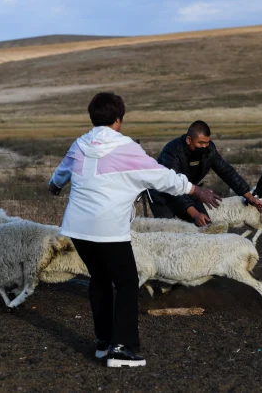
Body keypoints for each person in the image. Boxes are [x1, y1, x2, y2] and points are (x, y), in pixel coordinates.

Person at [48, 92, 220, 368]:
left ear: (93, 118)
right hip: (107, 229)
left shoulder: (79, 144)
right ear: (118, 120)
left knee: (100, 279)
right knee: (127, 283)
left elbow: (59, 175)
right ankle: (122, 348)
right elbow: (161, 176)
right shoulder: (125, 147)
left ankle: (104, 343)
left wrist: (55, 185)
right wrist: (195, 189)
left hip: (77, 228)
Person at [149, 120, 262, 226]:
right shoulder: (172, 152)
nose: (204, 146)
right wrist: (195, 214)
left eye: (206, 143)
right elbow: (175, 186)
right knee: (169, 234)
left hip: (190, 191)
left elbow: (226, 171)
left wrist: (249, 196)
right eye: (200, 143)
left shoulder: (209, 150)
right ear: (189, 140)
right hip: (163, 195)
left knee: (206, 227)